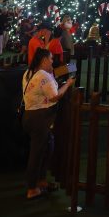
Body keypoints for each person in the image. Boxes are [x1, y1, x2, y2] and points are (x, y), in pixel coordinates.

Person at [22, 47, 75, 200]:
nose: (53, 61)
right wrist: (68, 84)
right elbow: (54, 96)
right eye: (51, 59)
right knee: (37, 153)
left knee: (47, 146)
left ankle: (41, 181)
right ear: (44, 60)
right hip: (39, 118)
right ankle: (32, 188)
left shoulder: (29, 72)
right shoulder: (43, 76)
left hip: (29, 116)